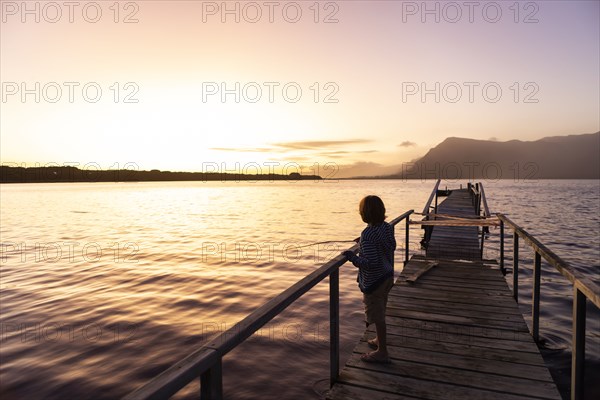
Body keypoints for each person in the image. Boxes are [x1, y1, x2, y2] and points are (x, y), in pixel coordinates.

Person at [343, 195, 395, 363]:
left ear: (364, 213)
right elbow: (390, 246)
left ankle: (382, 352)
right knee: (381, 309)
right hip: (387, 276)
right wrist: (363, 242)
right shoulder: (387, 227)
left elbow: (370, 263)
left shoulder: (368, 233)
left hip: (375, 281)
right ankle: (380, 341)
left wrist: (352, 257)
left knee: (377, 316)